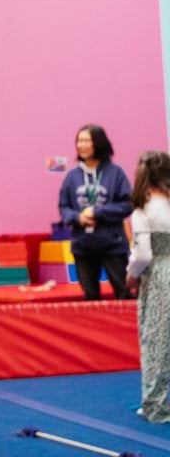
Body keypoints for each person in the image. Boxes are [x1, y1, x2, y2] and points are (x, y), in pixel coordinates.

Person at [58, 124, 132, 300]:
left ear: (98, 143)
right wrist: (78, 217)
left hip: (113, 245)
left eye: (86, 140)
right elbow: (63, 207)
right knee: (90, 296)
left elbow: (127, 205)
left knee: (124, 293)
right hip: (83, 247)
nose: (80, 145)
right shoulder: (72, 176)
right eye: (79, 141)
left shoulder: (116, 173)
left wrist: (97, 212)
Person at [125, 151, 170, 424]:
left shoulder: (144, 209)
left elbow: (143, 254)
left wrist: (131, 276)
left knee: (157, 341)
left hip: (162, 276)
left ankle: (156, 405)